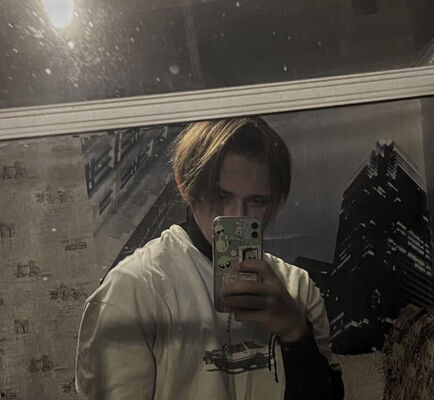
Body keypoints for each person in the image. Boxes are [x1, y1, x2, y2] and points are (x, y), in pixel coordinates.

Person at [75, 117, 344, 399]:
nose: (237, 216)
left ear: (274, 201)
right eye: (221, 196)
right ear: (185, 186)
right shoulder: (133, 289)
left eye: (257, 201)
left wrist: (295, 331)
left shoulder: (297, 287)